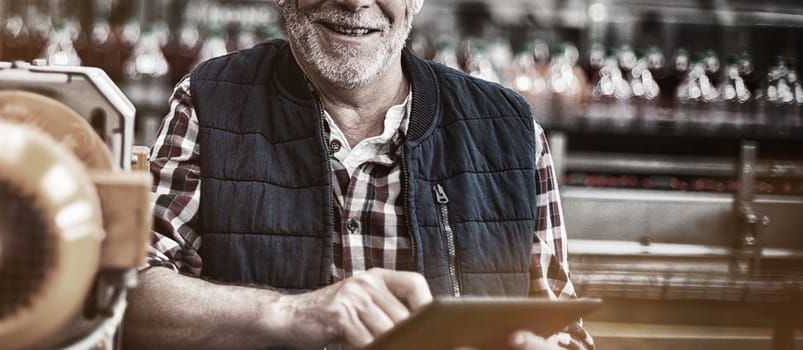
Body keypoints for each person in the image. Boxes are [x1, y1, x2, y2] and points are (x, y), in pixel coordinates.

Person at [124, 0, 594, 349]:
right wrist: (291, 313)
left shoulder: (508, 129)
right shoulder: (210, 101)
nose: (354, 1)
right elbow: (128, 296)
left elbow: (567, 331)